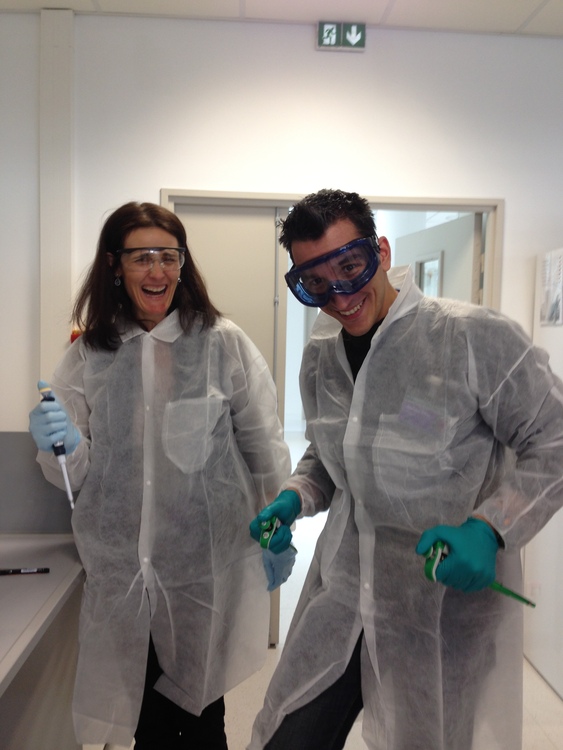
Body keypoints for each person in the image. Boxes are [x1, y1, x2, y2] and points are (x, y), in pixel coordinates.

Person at [248, 189, 563, 750]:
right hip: (345, 592)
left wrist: (490, 528)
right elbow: (331, 452)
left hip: (440, 606)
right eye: (316, 283)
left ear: (383, 251)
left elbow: (555, 439)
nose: (340, 295)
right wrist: (295, 496)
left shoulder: (473, 339)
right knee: (288, 736)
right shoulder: (321, 355)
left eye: (350, 267)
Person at [28, 201, 292, 750]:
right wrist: (63, 447)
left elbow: (263, 446)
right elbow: (72, 480)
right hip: (123, 576)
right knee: (144, 721)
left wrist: (277, 521)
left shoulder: (222, 343)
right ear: (114, 265)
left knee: (201, 720)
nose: (158, 271)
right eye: (142, 257)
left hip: (202, 572)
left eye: (169, 257)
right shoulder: (89, 356)